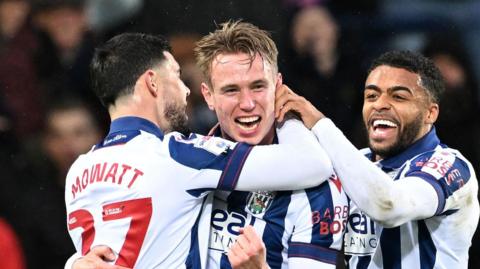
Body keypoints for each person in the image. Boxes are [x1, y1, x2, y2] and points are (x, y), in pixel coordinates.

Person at [64, 32, 334, 268]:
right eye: (177, 76)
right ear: (153, 82)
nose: (185, 91)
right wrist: (285, 109)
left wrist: (72, 262)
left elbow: (99, 253)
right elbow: (314, 163)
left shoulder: (77, 172)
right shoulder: (178, 155)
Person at [275, 50, 479, 268]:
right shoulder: (354, 164)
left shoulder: (449, 166)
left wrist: (320, 124)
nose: (379, 104)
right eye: (371, 96)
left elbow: (389, 206)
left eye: (398, 96)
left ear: (430, 113)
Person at [194, 20, 348, 268]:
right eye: (231, 90)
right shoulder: (182, 164)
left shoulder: (318, 189)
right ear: (208, 95)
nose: (247, 104)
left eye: (258, 87)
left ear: (277, 86)